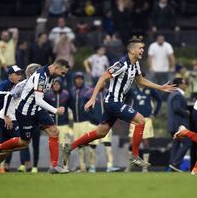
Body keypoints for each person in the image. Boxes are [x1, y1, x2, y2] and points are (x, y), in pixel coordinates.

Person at [62, 37, 176, 169]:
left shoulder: (135, 65)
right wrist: (93, 98)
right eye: (140, 48)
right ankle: (134, 156)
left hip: (116, 102)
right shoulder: (121, 64)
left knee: (101, 132)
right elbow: (103, 77)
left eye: (143, 48)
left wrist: (160, 87)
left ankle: (69, 147)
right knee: (141, 120)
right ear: (132, 50)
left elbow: (140, 81)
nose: (143, 50)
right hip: (112, 101)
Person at [0, 59, 70, 174]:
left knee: (54, 131)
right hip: (25, 112)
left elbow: (38, 99)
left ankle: (54, 166)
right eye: (63, 72)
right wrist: (55, 110)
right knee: (23, 143)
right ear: (56, 68)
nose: (63, 76)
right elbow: (38, 99)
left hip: (37, 110)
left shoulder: (51, 77)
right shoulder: (41, 76)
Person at [0, 65, 24, 173]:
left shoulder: (21, 86)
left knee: (16, 142)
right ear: (10, 76)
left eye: (20, 74)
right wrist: (11, 94)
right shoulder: (4, 84)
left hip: (9, 117)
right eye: (17, 74)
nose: (20, 76)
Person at [126, 81, 162, 172]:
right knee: (132, 142)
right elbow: (125, 101)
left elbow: (159, 100)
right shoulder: (132, 89)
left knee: (146, 142)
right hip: (134, 118)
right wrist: (127, 113)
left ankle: (145, 167)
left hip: (146, 119)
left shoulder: (150, 89)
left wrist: (155, 113)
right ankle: (131, 164)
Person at [84, 85, 120, 173]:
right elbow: (84, 109)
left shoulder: (109, 93)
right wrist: (91, 117)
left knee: (108, 146)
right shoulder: (89, 94)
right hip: (93, 124)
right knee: (92, 147)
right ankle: (92, 167)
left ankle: (110, 166)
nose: (102, 83)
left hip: (106, 124)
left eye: (104, 82)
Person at [45, 78, 71, 170]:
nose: (56, 86)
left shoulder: (66, 94)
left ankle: (65, 166)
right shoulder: (48, 95)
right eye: (54, 84)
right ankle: (53, 165)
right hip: (52, 125)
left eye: (58, 84)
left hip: (64, 124)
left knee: (65, 146)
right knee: (53, 147)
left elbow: (71, 108)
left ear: (61, 85)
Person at [167, 78, 191, 172]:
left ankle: (172, 166)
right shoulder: (177, 95)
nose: (186, 85)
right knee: (187, 143)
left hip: (173, 125)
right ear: (179, 84)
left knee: (176, 145)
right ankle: (175, 163)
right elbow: (176, 108)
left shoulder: (172, 94)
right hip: (179, 126)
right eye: (185, 83)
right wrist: (187, 113)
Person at [69, 72, 91, 172]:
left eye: (81, 78)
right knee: (79, 145)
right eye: (77, 78)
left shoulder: (88, 90)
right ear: (74, 80)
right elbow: (70, 105)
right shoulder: (72, 91)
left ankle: (89, 165)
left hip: (86, 122)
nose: (79, 80)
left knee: (87, 144)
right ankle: (81, 167)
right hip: (76, 123)